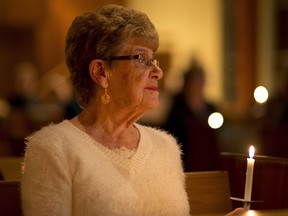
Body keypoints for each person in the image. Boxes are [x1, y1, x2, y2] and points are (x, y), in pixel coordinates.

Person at [21, 4, 243, 216]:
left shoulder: (166, 147)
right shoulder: (52, 150)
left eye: (153, 59)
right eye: (141, 59)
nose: (158, 72)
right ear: (101, 72)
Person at [163, 59, 220, 172]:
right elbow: (171, 134)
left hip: (207, 159)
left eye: (200, 82)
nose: (197, 86)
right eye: (194, 82)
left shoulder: (211, 108)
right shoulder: (178, 108)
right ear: (187, 83)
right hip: (186, 161)